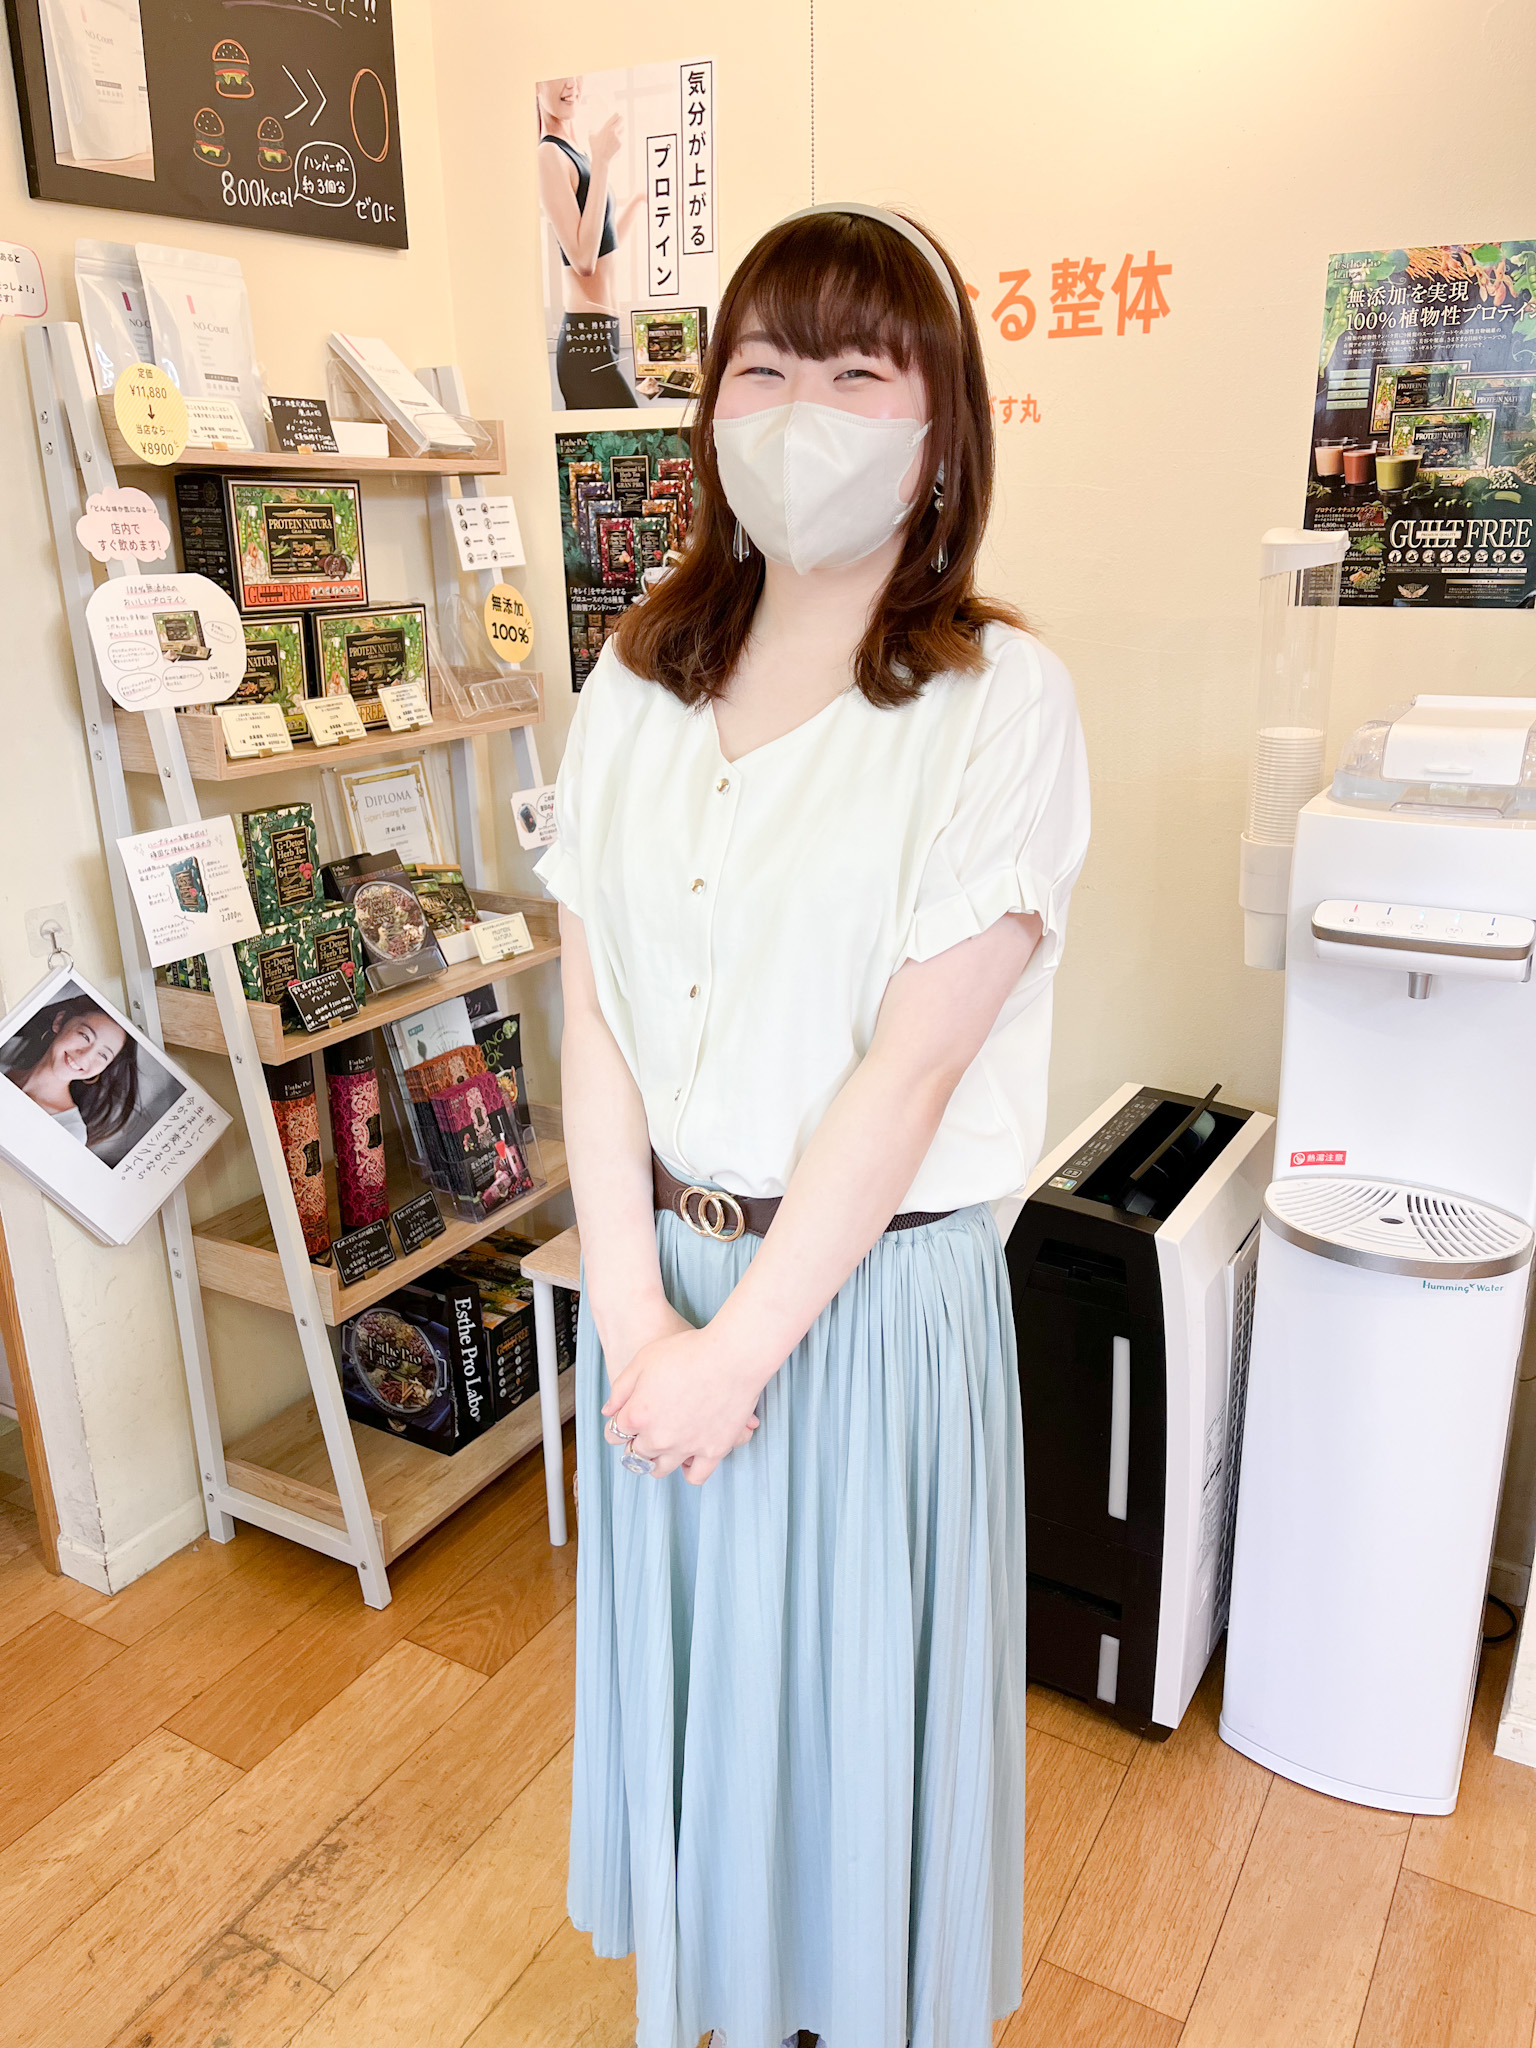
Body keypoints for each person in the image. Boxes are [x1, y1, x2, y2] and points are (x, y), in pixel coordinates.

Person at [537, 202, 1090, 2048]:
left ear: (943, 430)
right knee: (715, 1722)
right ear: (711, 412)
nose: (801, 412)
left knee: (850, 1740)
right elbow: (594, 1005)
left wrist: (734, 1350)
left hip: (862, 1314)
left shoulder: (998, 701)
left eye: (860, 372)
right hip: (662, 1292)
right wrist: (636, 1318)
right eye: (764, 367)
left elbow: (910, 1072)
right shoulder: (635, 681)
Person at [537, 74, 646, 410]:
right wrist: (602, 162)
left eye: (576, 76)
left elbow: (602, 246)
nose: (571, 86)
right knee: (638, 437)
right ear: (537, 86)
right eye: (559, 77)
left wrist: (639, 201)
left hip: (603, 334)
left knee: (632, 439)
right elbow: (583, 261)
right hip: (584, 342)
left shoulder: (578, 152)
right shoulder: (549, 154)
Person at [2, 993, 137, 1152]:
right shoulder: (4, 1059)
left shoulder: (70, 1131)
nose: (85, 1056)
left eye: (103, 1055)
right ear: (59, 1022)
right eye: (85, 1036)